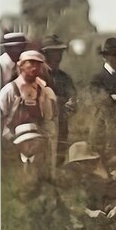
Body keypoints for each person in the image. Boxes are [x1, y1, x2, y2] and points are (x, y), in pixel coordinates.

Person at [0, 50, 59, 164]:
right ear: (21, 65)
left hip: (38, 146)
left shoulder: (45, 92)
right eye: (31, 63)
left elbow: (50, 120)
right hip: (11, 144)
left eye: (38, 64)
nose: (35, 67)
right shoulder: (9, 90)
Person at [40, 35, 77, 165]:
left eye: (59, 52)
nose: (57, 56)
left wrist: (66, 108)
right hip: (41, 126)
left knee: (59, 159)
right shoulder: (36, 76)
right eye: (53, 52)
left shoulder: (64, 78)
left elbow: (73, 101)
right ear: (44, 54)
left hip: (61, 125)